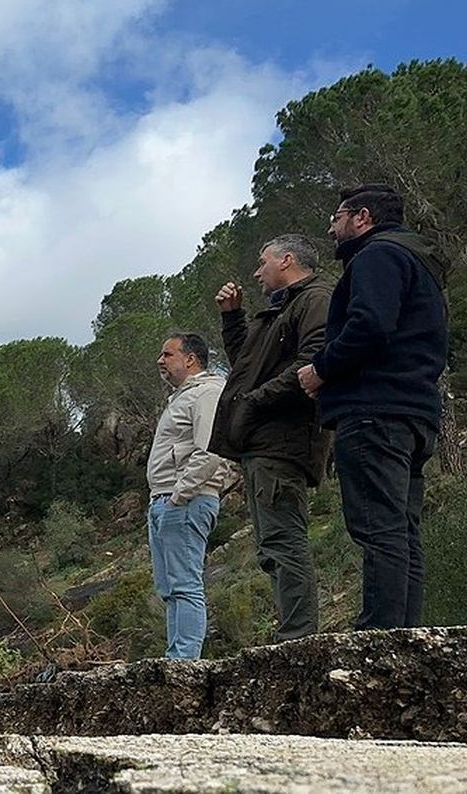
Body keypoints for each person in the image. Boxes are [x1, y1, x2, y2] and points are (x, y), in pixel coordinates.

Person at [297, 184, 447, 630]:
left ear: (362, 217)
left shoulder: (377, 257)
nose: (331, 225)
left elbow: (370, 325)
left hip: (374, 410)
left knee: (379, 528)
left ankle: (379, 635)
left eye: (337, 216)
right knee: (402, 530)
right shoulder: (419, 264)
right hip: (415, 412)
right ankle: (403, 632)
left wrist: (320, 369)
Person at [211, 235, 333, 642]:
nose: (256, 272)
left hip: (283, 442)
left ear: (286, 260)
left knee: (283, 542)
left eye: (262, 262)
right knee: (271, 548)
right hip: (263, 444)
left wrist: (253, 402)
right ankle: (293, 635)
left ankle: (298, 639)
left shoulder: (315, 299)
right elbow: (249, 363)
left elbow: (312, 363)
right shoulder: (282, 309)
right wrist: (233, 318)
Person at [148, 332, 233, 659]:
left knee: (184, 585)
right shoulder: (183, 397)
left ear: (190, 359)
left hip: (185, 500)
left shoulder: (207, 393)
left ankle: (184, 662)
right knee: (170, 589)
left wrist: (179, 495)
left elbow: (210, 451)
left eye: (167, 354)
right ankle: (178, 659)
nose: (160, 361)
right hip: (165, 500)